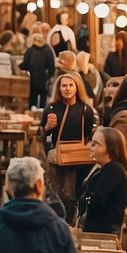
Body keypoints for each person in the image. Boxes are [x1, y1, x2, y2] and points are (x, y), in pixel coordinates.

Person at [42, 73, 97, 223]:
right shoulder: (52, 108)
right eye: (64, 85)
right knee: (55, 191)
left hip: (77, 159)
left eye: (71, 85)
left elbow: (88, 135)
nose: (67, 89)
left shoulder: (86, 110)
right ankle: (55, 222)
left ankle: (67, 223)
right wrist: (47, 127)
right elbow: (43, 135)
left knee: (70, 193)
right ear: (59, 88)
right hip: (57, 157)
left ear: (77, 87)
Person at [77, 126, 127, 234]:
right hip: (98, 230)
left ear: (109, 148)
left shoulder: (112, 169)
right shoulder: (105, 167)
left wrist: (85, 199)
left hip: (102, 233)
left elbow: (97, 200)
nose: (90, 147)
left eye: (95, 144)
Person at [21, 33, 56, 110]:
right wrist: (49, 77)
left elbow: (25, 65)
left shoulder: (30, 50)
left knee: (32, 100)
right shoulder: (48, 51)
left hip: (32, 80)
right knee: (42, 104)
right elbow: (52, 68)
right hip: (44, 80)